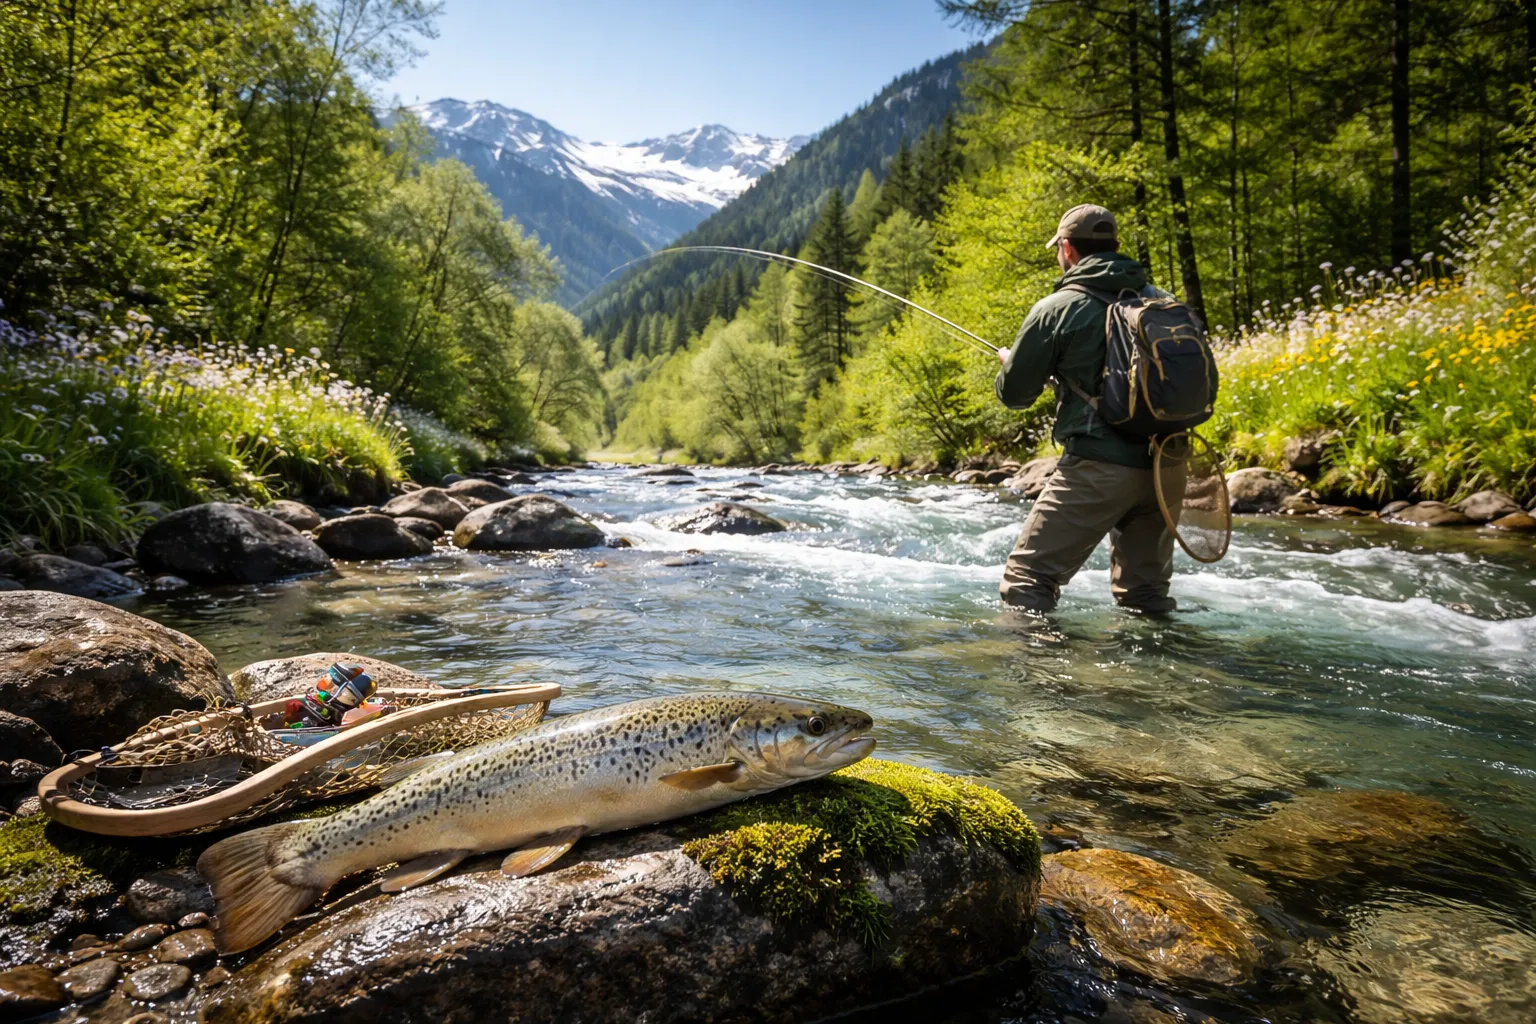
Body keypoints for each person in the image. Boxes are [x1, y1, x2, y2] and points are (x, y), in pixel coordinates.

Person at [994, 203, 1177, 615]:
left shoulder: (1057, 308)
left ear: (1068, 249)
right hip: (1167, 466)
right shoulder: (1162, 300)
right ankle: (1162, 678)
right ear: (1115, 246)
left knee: (1028, 582)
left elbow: (1015, 396)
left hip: (1099, 466)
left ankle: (1042, 678)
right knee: (1145, 596)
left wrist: (1012, 364)